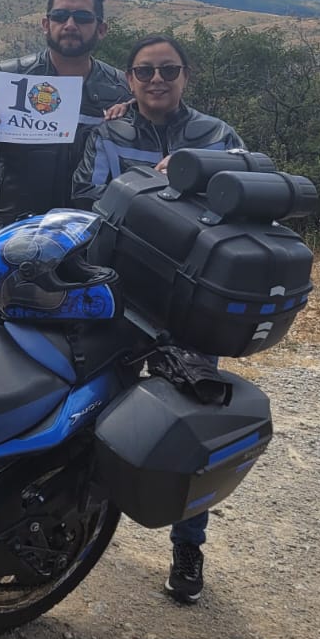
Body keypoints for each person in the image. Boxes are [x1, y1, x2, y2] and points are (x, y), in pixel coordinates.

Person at [72, 35, 244, 604]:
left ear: (185, 76)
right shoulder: (110, 132)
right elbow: (88, 199)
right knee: (93, 408)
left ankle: (188, 546)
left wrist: (197, 175)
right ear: (129, 80)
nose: (156, 79)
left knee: (190, 423)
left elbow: (244, 203)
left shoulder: (219, 136)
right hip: (122, 295)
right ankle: (77, 522)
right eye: (145, 71)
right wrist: (156, 187)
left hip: (192, 303)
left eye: (168, 69)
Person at [0, 0, 129, 230]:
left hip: (92, 236)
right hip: (14, 234)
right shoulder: (7, 77)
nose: (70, 25)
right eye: (60, 16)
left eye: (83, 17)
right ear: (46, 24)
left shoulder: (121, 90)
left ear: (101, 29)